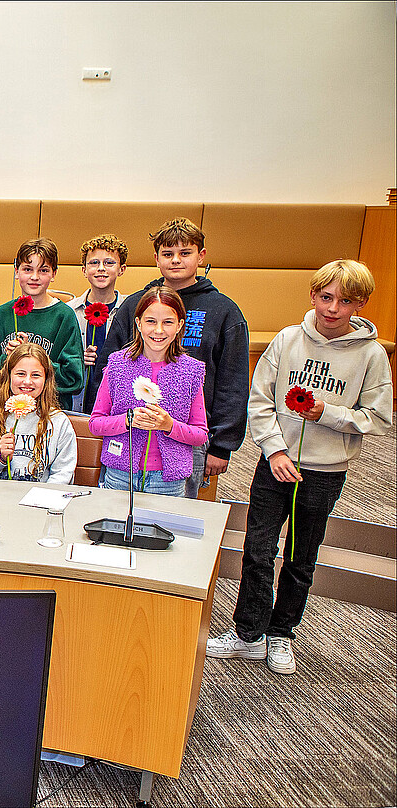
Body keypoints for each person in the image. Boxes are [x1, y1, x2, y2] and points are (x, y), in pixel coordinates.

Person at [207, 260, 392, 675]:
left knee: (300, 557)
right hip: (274, 464)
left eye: (345, 301)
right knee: (257, 550)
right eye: (326, 298)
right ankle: (248, 633)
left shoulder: (371, 354)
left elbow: (378, 418)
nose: (333, 308)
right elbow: (260, 401)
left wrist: (328, 413)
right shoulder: (288, 340)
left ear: (359, 305)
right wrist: (274, 450)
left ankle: (281, 632)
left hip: (324, 472)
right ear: (313, 296)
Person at [87, 217, 249, 498]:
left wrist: (222, 445)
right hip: (127, 443)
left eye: (185, 253)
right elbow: (108, 367)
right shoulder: (135, 304)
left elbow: (232, 382)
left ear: (201, 255)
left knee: (173, 521)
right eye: (167, 254)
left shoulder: (224, 310)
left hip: (190, 441)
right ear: (156, 259)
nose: (176, 260)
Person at [87, 288, 208, 496]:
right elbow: (95, 423)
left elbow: (200, 434)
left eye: (168, 322)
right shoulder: (117, 364)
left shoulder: (191, 370)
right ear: (138, 323)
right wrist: (127, 420)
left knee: (162, 528)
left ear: (180, 326)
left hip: (167, 480)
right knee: (117, 526)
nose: (158, 330)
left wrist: (169, 425)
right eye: (151, 321)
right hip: (120, 473)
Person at [0, 238, 84, 404]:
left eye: (43, 270)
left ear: (54, 274)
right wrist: (8, 359)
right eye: (28, 269)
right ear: (16, 272)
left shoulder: (64, 316)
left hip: (50, 412)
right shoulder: (0, 315)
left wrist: (37, 362)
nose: (35, 277)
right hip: (6, 411)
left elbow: (74, 378)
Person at [0, 343, 76, 483]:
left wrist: (39, 499)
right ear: (8, 376)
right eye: (21, 374)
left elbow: (63, 474)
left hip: (39, 500)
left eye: (36, 375)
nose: (27, 381)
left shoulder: (58, 422)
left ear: (46, 379)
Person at [66, 234, 129, 412]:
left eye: (109, 263)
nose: (101, 268)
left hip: (116, 403)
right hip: (76, 402)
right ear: (84, 270)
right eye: (94, 263)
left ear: (122, 269)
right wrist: (77, 359)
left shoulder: (130, 311)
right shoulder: (68, 311)